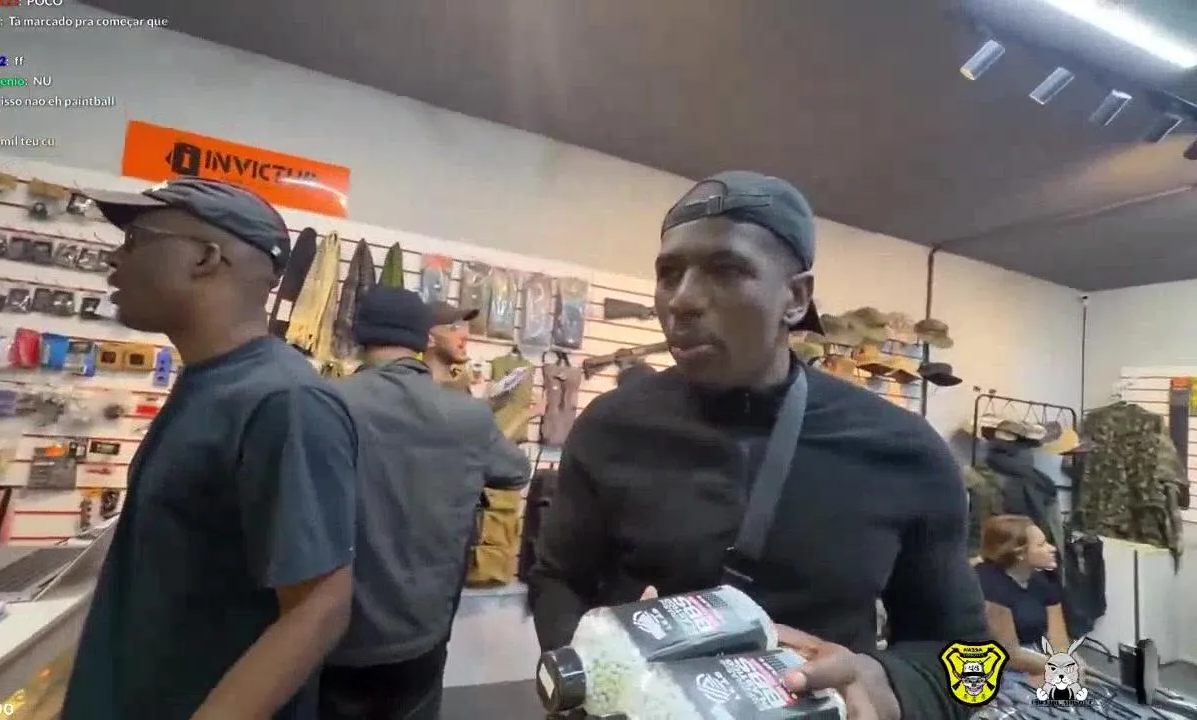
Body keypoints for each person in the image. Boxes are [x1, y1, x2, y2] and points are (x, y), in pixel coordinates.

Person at [529, 171, 988, 719]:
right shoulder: (611, 426)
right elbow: (558, 579)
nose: (682, 300)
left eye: (726, 270)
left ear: (795, 298)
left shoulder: (906, 452)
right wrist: (593, 678)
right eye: (668, 274)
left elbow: (975, 667)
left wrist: (885, 682)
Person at [62, 179, 357, 720]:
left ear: (205, 258)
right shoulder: (210, 382)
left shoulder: (283, 401)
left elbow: (320, 606)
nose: (115, 257)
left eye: (137, 240)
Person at [319, 286, 531, 720]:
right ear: (421, 337)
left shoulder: (328, 402)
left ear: (360, 334)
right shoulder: (467, 415)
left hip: (336, 629)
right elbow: (515, 471)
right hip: (425, 625)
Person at [975, 515, 1072, 678]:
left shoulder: (1043, 581)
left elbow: (1058, 640)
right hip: (997, 668)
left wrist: (1069, 661)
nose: (1052, 548)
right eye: (1041, 545)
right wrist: (1059, 668)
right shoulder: (988, 583)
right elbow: (1010, 655)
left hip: (1037, 658)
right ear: (1020, 553)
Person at [424, 300, 477, 386]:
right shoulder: (414, 386)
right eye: (453, 328)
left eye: (463, 326)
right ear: (429, 340)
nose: (466, 336)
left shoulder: (460, 381)